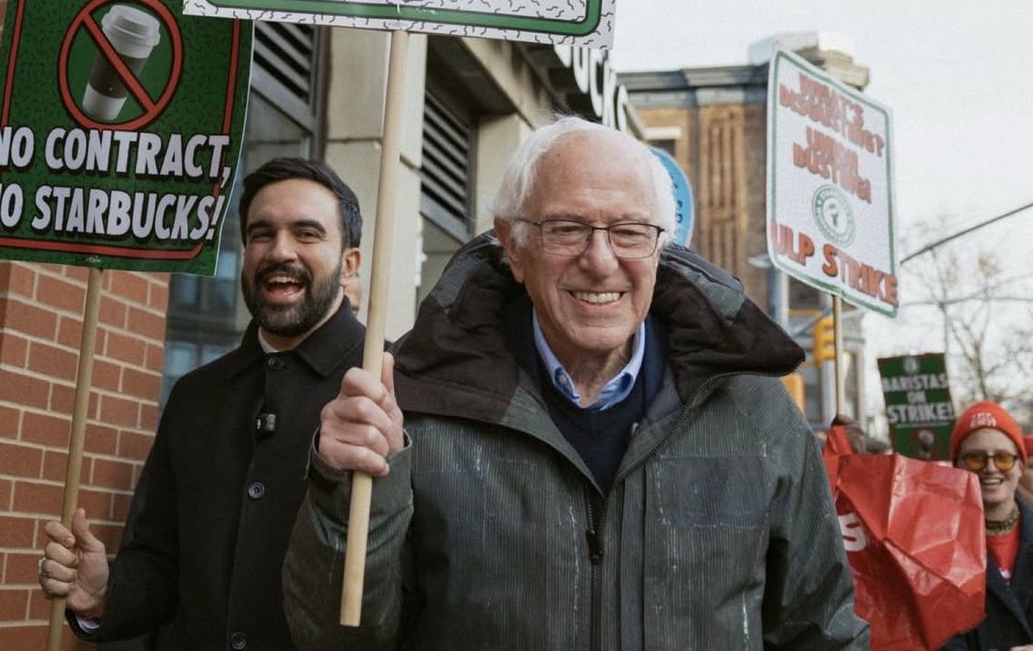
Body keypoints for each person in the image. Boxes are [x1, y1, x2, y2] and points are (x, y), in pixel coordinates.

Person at [283, 117, 867, 649]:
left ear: (662, 247)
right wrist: (346, 490)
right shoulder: (413, 410)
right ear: (512, 245)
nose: (601, 259)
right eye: (566, 229)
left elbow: (822, 634)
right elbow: (337, 639)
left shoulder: (756, 413)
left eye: (630, 232)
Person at [38, 157, 367, 650]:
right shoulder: (196, 396)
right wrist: (105, 591)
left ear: (349, 264)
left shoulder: (389, 391)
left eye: (306, 233)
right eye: (261, 234)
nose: (280, 251)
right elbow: (160, 565)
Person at [940, 402, 1033, 651]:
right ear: (957, 467)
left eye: (1002, 458)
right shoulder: (933, 547)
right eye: (975, 458)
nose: (990, 468)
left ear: (1020, 466)